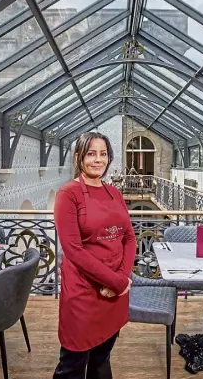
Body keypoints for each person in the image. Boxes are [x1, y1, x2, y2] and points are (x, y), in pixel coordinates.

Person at [53, 132, 137, 379]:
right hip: (83, 291)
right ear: (79, 157)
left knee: (101, 360)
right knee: (72, 365)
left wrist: (120, 278)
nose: (98, 160)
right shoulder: (67, 194)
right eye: (91, 154)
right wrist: (117, 282)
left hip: (114, 294)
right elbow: (73, 251)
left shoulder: (115, 193)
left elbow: (129, 238)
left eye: (103, 154)